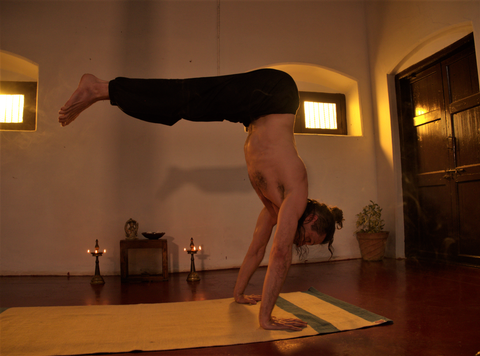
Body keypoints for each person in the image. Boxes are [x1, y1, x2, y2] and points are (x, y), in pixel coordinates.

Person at [59, 69, 344, 331]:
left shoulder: (274, 208)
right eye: (307, 239)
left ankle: (101, 90)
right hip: (277, 92)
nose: (300, 244)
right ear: (311, 218)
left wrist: (239, 293)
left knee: (183, 106)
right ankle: (97, 88)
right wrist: (266, 318)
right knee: (186, 97)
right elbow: (280, 254)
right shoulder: (295, 194)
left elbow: (256, 251)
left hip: (256, 110)